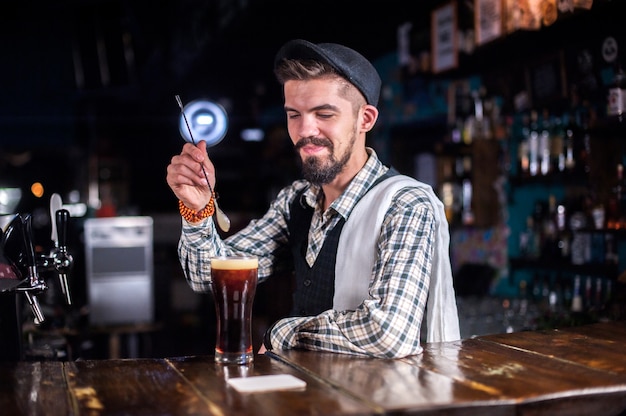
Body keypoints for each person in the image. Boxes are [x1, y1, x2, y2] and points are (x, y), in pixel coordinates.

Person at [166, 39, 460, 358]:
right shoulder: (296, 201)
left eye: (324, 114)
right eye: (294, 115)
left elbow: (388, 333)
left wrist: (284, 332)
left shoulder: (405, 204)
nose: (305, 130)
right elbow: (206, 277)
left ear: (366, 119)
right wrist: (197, 210)